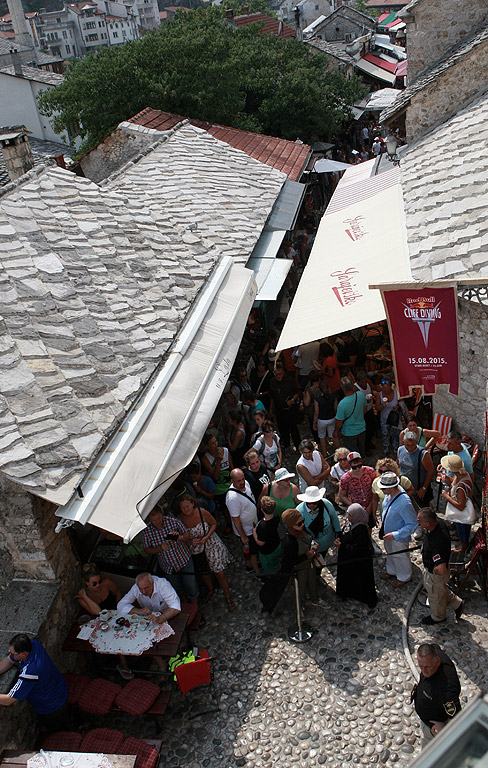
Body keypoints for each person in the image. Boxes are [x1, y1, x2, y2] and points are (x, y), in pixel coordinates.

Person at [177, 495, 235, 612]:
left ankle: (228, 597)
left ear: (193, 504)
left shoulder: (202, 512)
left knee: (220, 573)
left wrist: (207, 536)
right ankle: (210, 589)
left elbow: (214, 524)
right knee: (204, 572)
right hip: (196, 549)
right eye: (183, 507)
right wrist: (189, 540)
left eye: (187, 506)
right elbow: (180, 536)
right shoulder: (179, 519)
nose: (186, 509)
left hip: (211, 544)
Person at [0, 635, 70, 731]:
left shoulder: (30, 672)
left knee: (61, 732)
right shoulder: (33, 644)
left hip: (52, 706)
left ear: (23, 654)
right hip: (60, 689)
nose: (11, 655)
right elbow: (9, 660)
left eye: (13, 653)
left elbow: (8, 700)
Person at [76, 563, 132, 680]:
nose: (98, 586)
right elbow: (97, 611)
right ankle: (122, 662)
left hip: (117, 614)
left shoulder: (107, 583)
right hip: (103, 621)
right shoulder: (83, 598)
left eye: (99, 581)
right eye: (94, 583)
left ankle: (124, 660)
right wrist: (85, 596)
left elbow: (117, 593)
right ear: (86, 583)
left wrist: (119, 609)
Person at [417, 508, 464, 625]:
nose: (418, 522)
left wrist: (433, 570)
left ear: (428, 523)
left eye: (419, 521)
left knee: (436, 595)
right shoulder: (438, 523)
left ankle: (438, 617)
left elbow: (441, 569)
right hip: (437, 572)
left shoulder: (437, 541)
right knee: (440, 590)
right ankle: (457, 603)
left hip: (435, 574)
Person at [142, 506, 199, 604]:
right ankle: (185, 608)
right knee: (178, 591)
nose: (158, 522)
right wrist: (159, 548)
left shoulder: (173, 521)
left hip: (184, 560)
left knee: (192, 588)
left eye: (159, 518)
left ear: (162, 515)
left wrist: (179, 537)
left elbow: (188, 535)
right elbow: (147, 550)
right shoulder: (147, 531)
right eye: (154, 520)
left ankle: (195, 608)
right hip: (168, 567)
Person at [412, 643, 461, 746]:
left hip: (433, 729)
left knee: (428, 757)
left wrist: (444, 726)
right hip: (427, 712)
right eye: (420, 666)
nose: (424, 670)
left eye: (427, 667)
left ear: (438, 661)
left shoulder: (446, 690)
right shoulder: (434, 651)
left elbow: (458, 718)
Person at [378, 471, 418, 586]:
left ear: (391, 487)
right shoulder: (389, 494)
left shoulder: (404, 502)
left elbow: (412, 524)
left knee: (400, 556)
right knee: (390, 552)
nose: (382, 491)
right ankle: (392, 571)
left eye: (384, 489)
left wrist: (396, 534)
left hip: (398, 537)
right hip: (388, 534)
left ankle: (404, 576)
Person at [334, 504, 377, 609]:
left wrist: (342, 545)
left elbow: (358, 549)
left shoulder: (361, 529)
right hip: (348, 559)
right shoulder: (351, 523)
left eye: (349, 514)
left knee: (362, 580)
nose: (347, 516)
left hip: (359, 562)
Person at [281, 508, 324, 608]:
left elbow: (309, 539)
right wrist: (306, 555)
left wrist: (313, 544)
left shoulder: (300, 529)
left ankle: (315, 599)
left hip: (310, 564)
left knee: (312, 582)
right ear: (291, 526)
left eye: (302, 521)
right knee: (301, 588)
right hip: (300, 568)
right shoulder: (289, 542)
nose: (302, 524)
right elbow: (289, 561)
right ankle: (299, 607)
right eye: (299, 523)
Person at [226, 468, 259, 574]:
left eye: (242, 479)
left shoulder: (246, 484)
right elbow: (235, 519)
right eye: (238, 481)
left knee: (252, 549)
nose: (242, 482)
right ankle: (254, 569)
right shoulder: (232, 498)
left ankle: (251, 565)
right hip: (247, 530)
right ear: (232, 481)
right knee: (251, 550)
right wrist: (243, 536)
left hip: (253, 526)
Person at [439, 454, 474, 553]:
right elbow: (455, 482)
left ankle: (464, 548)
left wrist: (446, 496)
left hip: (462, 514)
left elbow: (460, 506)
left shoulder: (461, 487)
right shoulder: (462, 474)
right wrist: (449, 481)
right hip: (462, 511)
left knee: (463, 531)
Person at [296, 485, 341, 558]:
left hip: (327, 540)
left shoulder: (326, 504)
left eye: (315, 503)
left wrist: (338, 534)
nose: (312, 505)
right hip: (311, 546)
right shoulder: (299, 511)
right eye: (309, 503)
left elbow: (334, 517)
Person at [371, 457, 414, 530]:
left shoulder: (402, 480)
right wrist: (374, 514)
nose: (383, 474)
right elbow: (375, 499)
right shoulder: (376, 482)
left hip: (399, 515)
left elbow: (411, 490)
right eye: (381, 471)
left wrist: (400, 499)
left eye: (386, 471)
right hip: (385, 514)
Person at [268, 360, 301, 450]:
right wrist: (271, 409)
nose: (278, 376)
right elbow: (272, 397)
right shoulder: (272, 382)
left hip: (290, 409)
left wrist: (292, 400)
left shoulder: (290, 381)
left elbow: (297, 392)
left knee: (293, 428)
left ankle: (298, 445)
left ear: (283, 373)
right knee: (282, 428)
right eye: (276, 374)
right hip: (279, 410)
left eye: (280, 374)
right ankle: (286, 444)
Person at [397, 430, 435, 506]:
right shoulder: (400, 450)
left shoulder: (423, 454)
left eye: (413, 445)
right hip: (404, 488)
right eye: (407, 445)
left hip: (417, 490)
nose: (410, 448)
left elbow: (431, 471)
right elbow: (398, 465)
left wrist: (424, 488)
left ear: (417, 442)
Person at [339, 452, 377, 522]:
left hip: (370, 505)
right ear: (350, 465)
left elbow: (375, 489)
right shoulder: (345, 478)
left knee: (370, 525)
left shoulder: (370, 471)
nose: (357, 469)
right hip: (356, 509)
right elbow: (342, 495)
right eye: (354, 467)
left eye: (359, 466)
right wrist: (354, 506)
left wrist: (370, 506)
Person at [333, 377, 367, 455]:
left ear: (342, 387)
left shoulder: (342, 404)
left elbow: (339, 422)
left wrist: (335, 432)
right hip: (362, 428)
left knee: (353, 454)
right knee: (361, 448)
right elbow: (365, 409)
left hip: (349, 432)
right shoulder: (360, 394)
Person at [253, 495, 281, 574]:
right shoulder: (276, 516)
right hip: (276, 545)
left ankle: (272, 575)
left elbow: (261, 543)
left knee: (268, 566)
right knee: (275, 560)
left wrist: (254, 532)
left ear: (262, 510)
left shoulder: (263, 526)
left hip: (267, 551)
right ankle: (277, 566)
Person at [374, 377, 401, 455]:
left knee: (395, 435)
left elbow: (401, 403)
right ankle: (386, 449)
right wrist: (382, 406)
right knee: (385, 435)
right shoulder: (380, 395)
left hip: (394, 419)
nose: (385, 390)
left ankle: (396, 450)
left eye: (387, 387)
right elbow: (377, 407)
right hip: (384, 419)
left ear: (390, 386)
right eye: (384, 388)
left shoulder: (396, 393)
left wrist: (397, 407)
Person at [313, 381, 339, 454]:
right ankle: (340, 451)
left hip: (322, 420)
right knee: (334, 436)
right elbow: (336, 409)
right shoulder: (333, 397)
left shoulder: (317, 400)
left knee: (322, 437)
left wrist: (314, 422)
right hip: (332, 418)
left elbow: (316, 413)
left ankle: (325, 453)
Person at [354, 370, 376, 451]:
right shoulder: (355, 388)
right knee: (364, 431)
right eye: (362, 382)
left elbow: (373, 387)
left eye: (365, 381)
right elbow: (356, 401)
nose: (364, 383)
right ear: (358, 381)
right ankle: (365, 447)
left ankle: (369, 442)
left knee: (372, 427)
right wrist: (366, 401)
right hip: (362, 413)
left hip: (369, 409)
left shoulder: (367, 382)